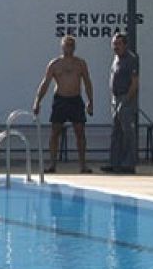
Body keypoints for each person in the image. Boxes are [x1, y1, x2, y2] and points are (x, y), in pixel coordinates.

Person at [33, 34, 94, 173]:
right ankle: (52, 164)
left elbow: (87, 82)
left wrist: (90, 101)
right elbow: (45, 83)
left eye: (72, 45)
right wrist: (37, 101)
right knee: (55, 132)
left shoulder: (80, 63)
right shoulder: (54, 64)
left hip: (75, 100)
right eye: (67, 45)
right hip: (60, 99)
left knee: (80, 132)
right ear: (62, 46)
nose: (69, 48)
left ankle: (82, 165)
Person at [101, 33, 140, 174]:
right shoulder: (116, 59)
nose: (115, 47)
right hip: (115, 98)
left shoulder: (131, 59)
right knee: (116, 132)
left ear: (125, 45)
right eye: (113, 44)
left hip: (126, 98)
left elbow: (135, 83)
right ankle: (114, 162)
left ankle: (129, 163)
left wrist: (126, 100)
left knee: (127, 132)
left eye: (118, 44)